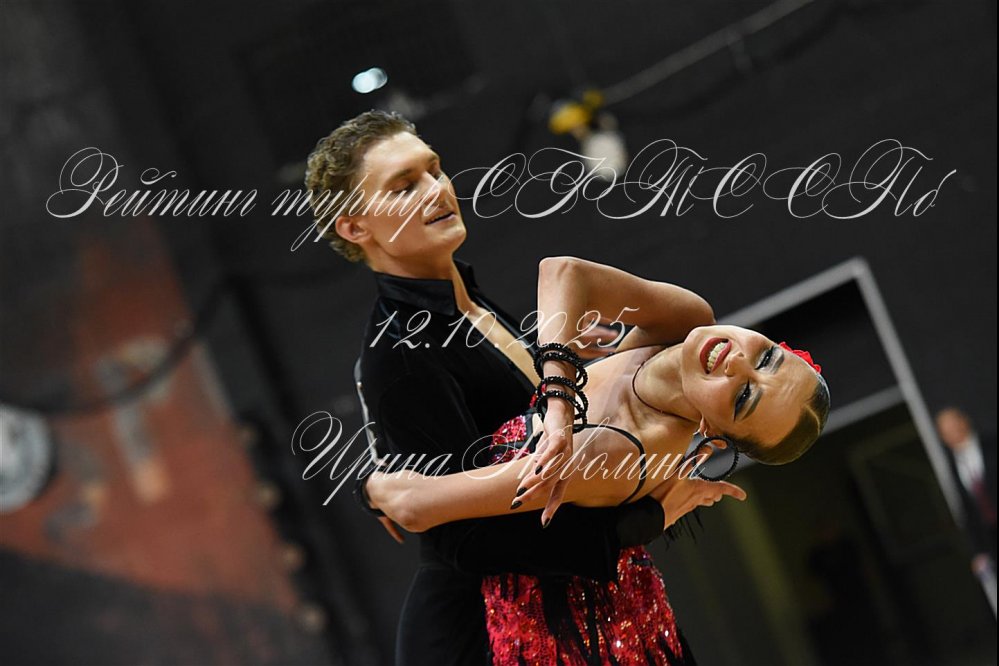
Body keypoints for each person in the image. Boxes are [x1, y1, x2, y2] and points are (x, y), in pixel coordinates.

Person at [305, 111, 704, 665]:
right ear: (354, 227)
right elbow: (463, 540)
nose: (436, 190)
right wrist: (631, 526)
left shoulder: (471, 305)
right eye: (404, 186)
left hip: (575, 606)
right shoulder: (398, 352)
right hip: (480, 635)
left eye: (434, 170)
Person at [366, 256, 830, 664]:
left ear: (712, 430)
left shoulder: (614, 452)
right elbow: (562, 271)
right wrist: (559, 398)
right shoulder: (688, 320)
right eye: (767, 358)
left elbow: (418, 506)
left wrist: (368, 487)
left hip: (544, 633)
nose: (737, 363)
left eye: (744, 396)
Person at [935, 408, 997, 594]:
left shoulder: (992, 445)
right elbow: (969, 511)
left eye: (953, 427)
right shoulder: (954, 466)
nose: (952, 435)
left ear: (964, 423)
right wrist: (978, 552)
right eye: (945, 433)